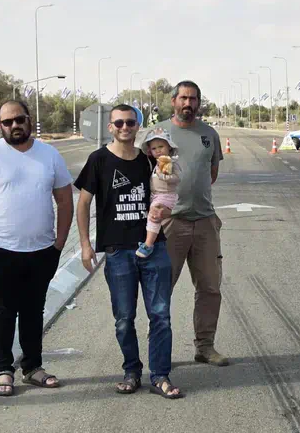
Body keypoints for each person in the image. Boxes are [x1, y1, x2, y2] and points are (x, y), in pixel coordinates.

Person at [0, 100, 73, 396]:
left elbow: (65, 200)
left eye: (19, 119)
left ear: (30, 120)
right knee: (2, 310)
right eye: (8, 122)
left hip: (42, 251)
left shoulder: (49, 155)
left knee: (33, 310)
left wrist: (59, 243)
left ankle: (33, 367)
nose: (15, 126)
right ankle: (3, 370)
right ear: (0, 126)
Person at [75, 104, 183, 399]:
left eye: (131, 122)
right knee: (124, 318)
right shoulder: (98, 160)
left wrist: (166, 212)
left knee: (160, 316)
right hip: (118, 252)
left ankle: (160, 376)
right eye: (119, 123)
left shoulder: (150, 160)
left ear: (138, 126)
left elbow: (167, 192)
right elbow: (83, 204)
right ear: (110, 127)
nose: (125, 127)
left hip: (154, 249)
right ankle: (131, 371)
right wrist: (86, 245)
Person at [155, 81, 228, 367]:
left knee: (210, 288)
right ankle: (159, 350)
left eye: (193, 99)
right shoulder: (158, 134)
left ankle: (205, 347)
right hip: (170, 224)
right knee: (162, 289)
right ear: (173, 101)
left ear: (199, 103)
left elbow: (211, 173)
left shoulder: (209, 134)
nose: (188, 103)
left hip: (205, 222)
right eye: (183, 98)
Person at [137, 128, 182, 258]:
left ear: (169, 147)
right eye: (154, 148)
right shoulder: (158, 163)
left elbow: (177, 178)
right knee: (153, 216)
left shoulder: (171, 162)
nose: (158, 150)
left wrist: (163, 176)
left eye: (161, 146)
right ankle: (148, 241)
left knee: (154, 215)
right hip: (156, 195)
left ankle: (148, 244)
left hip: (166, 195)